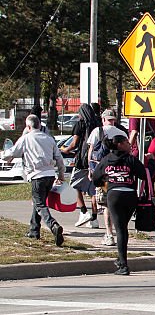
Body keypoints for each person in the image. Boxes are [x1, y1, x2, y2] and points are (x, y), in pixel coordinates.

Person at [2, 115, 66, 246]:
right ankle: (34, 230)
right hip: (50, 175)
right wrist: (61, 175)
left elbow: (12, 152)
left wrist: (5, 155)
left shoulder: (26, 138)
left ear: (29, 126)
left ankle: (53, 225)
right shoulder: (49, 139)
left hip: (37, 176)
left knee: (40, 204)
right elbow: (59, 159)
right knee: (39, 202)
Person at [91, 134, 146, 275]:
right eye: (127, 142)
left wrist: (106, 181)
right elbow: (143, 174)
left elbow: (96, 179)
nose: (130, 144)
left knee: (120, 229)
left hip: (114, 196)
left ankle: (123, 265)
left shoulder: (106, 160)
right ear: (119, 144)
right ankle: (121, 260)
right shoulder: (130, 159)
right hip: (129, 196)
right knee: (123, 228)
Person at [87, 110, 128, 247]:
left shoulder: (97, 131)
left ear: (103, 119)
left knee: (107, 205)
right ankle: (121, 232)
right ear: (114, 119)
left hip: (103, 173)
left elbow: (91, 151)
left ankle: (109, 234)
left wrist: (91, 170)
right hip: (120, 173)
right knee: (120, 204)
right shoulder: (121, 133)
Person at [66, 103, 101, 229]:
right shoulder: (98, 124)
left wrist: (65, 150)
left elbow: (74, 143)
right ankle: (95, 219)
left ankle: (83, 212)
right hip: (95, 161)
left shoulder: (80, 124)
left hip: (81, 161)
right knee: (93, 191)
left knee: (74, 186)